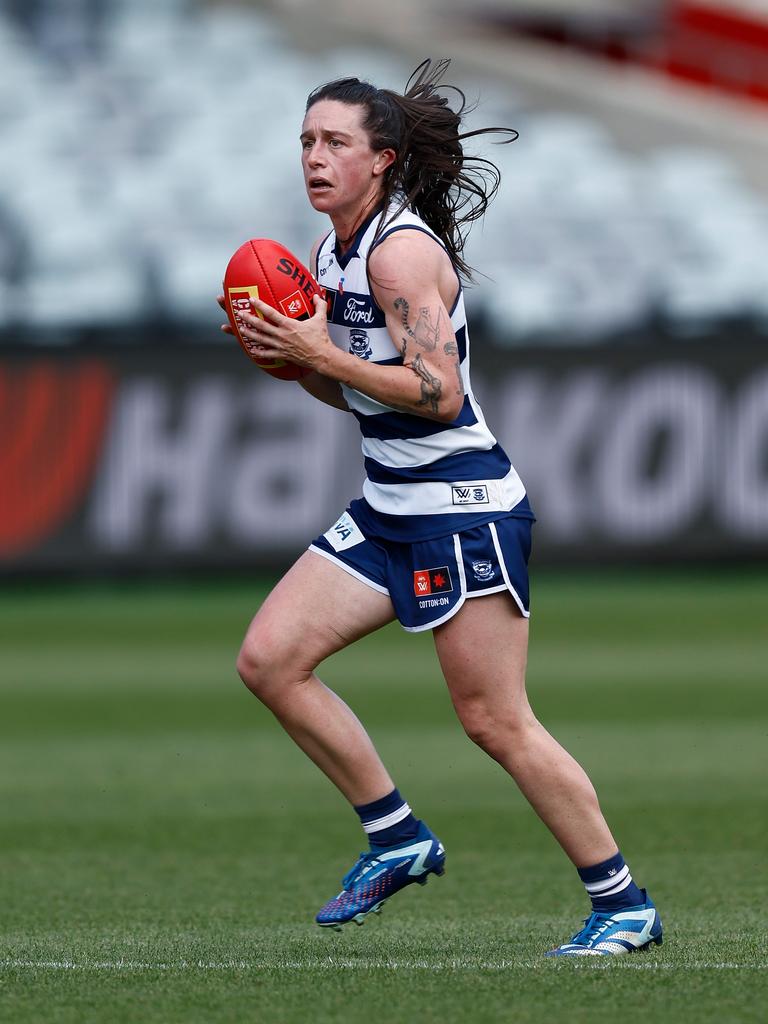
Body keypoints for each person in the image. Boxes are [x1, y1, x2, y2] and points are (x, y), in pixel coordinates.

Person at [217, 59, 662, 957]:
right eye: (306, 141)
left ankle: (623, 903)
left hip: (462, 508)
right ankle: (396, 835)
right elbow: (360, 401)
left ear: (380, 159)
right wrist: (294, 359)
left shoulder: (398, 251)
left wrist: (323, 354)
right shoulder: (334, 252)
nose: (314, 158)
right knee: (269, 659)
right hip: (392, 508)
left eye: (335, 142)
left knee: (495, 720)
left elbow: (437, 394)